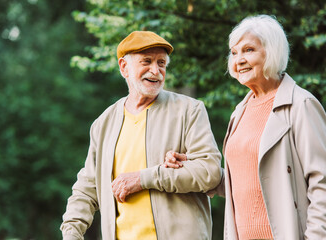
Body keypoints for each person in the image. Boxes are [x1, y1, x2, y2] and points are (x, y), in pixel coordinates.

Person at [164, 15, 326, 239]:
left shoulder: (301, 105)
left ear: (272, 52)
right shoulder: (241, 111)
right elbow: (242, 181)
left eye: (249, 50)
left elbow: (322, 183)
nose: (238, 59)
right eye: (234, 52)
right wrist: (193, 167)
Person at [60, 31, 222, 240]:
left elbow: (209, 173)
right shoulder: (103, 124)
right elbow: (86, 189)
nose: (155, 71)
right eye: (147, 61)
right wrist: (71, 233)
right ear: (124, 67)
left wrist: (143, 178)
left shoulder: (189, 110)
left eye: (161, 63)